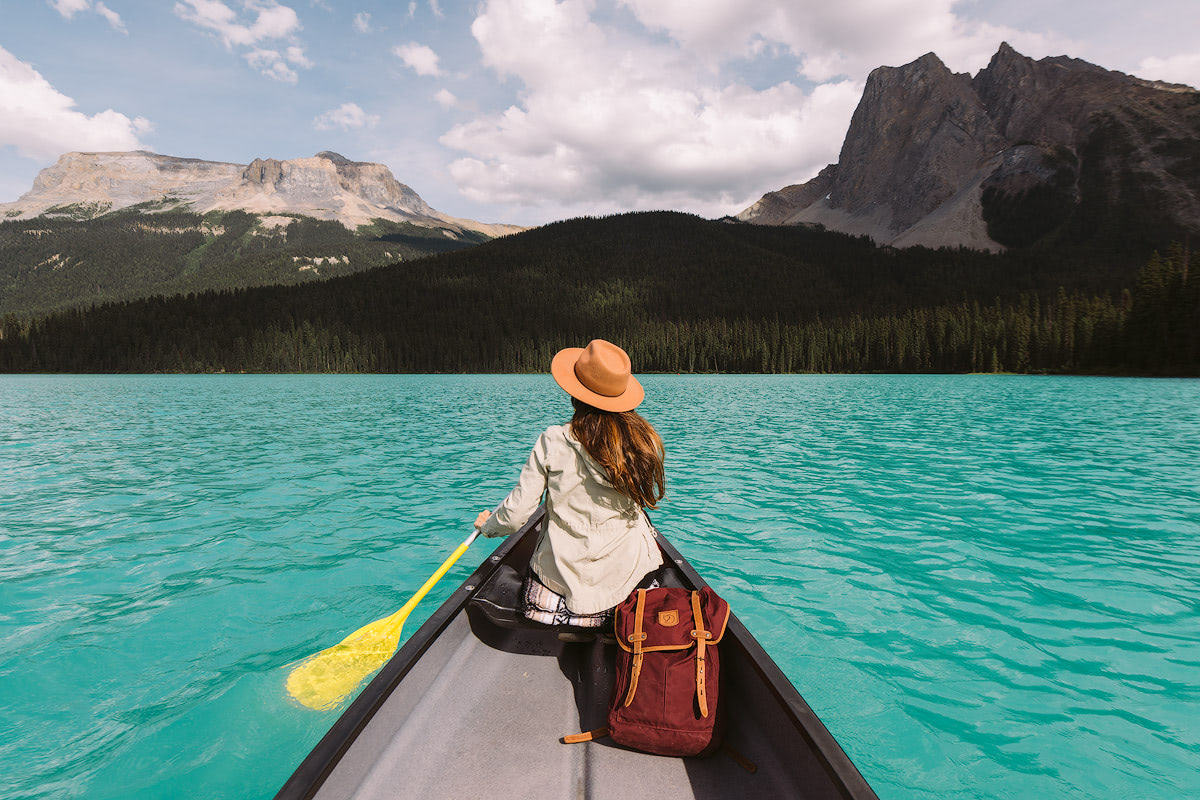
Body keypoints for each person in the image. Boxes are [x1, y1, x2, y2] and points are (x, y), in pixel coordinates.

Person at [474, 339, 665, 632]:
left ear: (575, 394)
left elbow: (515, 517)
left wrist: (488, 526)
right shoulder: (644, 441)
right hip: (627, 585)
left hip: (558, 594)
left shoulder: (553, 439)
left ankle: (574, 624)